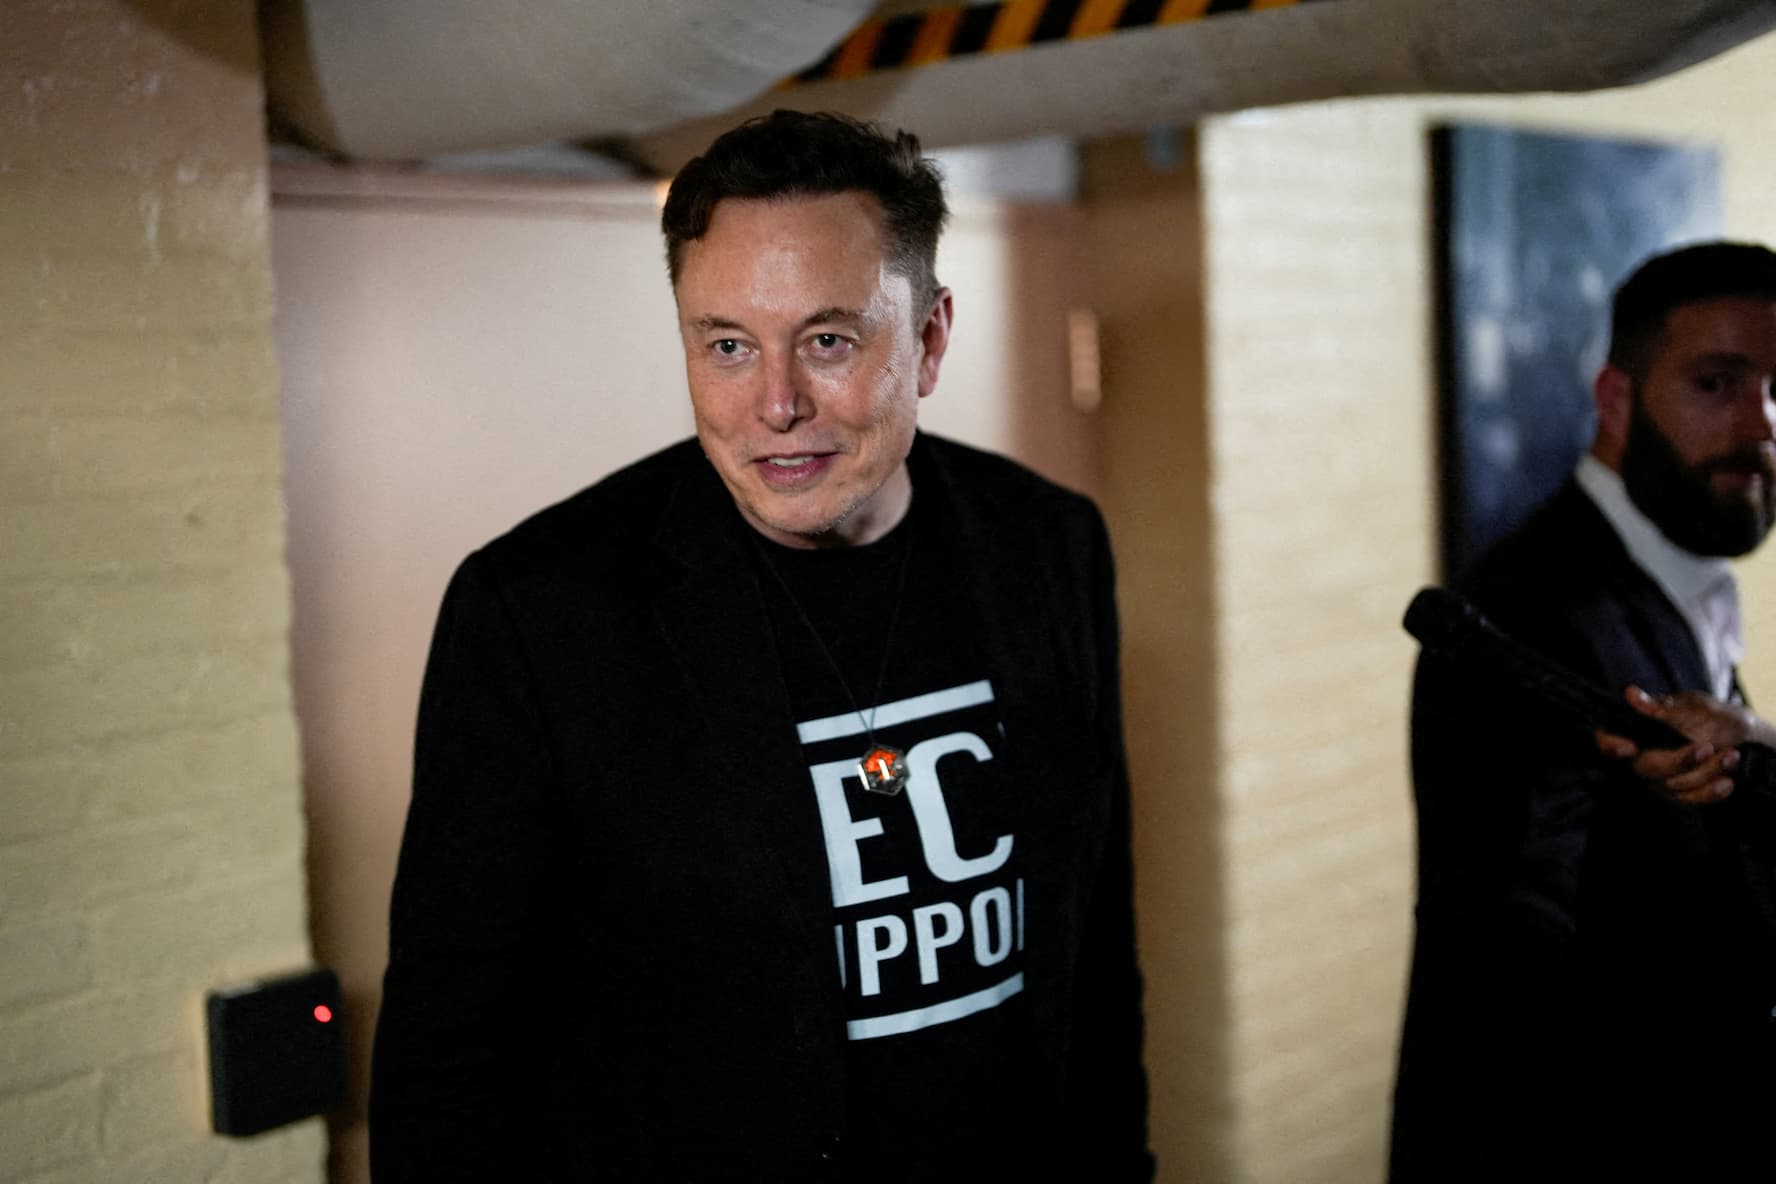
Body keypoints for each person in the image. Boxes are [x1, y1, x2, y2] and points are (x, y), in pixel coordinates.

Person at [368, 110, 1154, 1182]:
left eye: (829, 340)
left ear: (928, 339)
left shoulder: (1049, 545)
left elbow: (1095, 939)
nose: (775, 405)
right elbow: (450, 1053)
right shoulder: (539, 614)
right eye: (728, 345)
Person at [1390, 241, 1776, 1182]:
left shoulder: (1674, 570)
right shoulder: (1528, 616)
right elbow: (1505, 989)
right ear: (1616, 401)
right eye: (1717, 384)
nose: (1760, 424)